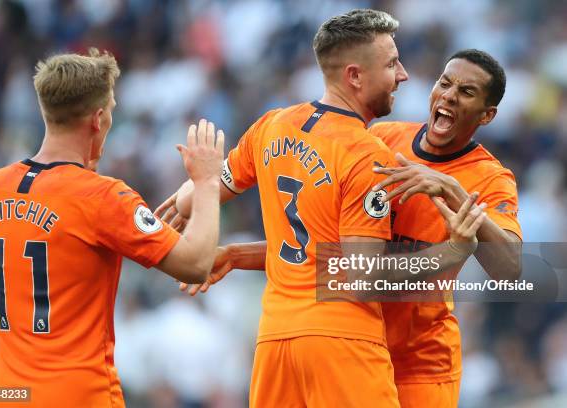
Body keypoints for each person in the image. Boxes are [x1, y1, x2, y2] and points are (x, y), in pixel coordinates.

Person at [162, 9, 485, 408]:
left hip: (276, 341)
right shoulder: (366, 155)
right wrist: (450, 253)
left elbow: (196, 195)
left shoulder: (272, 126)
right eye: (391, 64)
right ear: (354, 76)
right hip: (342, 342)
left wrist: (187, 203)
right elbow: (361, 275)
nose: (402, 74)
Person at [0, 48, 224, 407]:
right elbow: (197, 263)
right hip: (77, 395)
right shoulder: (101, 197)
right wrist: (207, 182)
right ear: (98, 119)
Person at [368, 49, 522, 408]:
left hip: (422, 362)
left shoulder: (491, 178)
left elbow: (511, 269)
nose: (450, 95)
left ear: (487, 115)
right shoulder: (382, 138)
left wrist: (451, 189)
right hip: (358, 343)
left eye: (466, 92)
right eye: (445, 83)